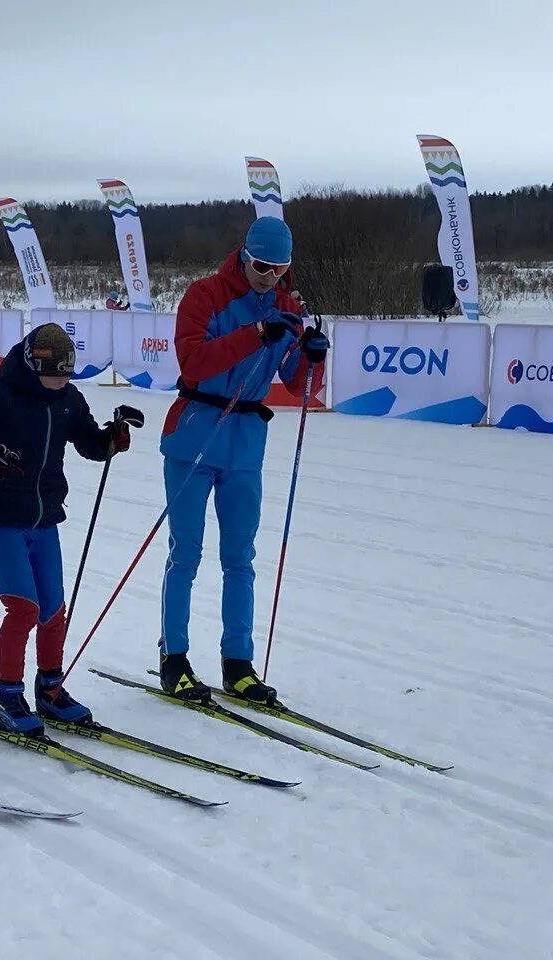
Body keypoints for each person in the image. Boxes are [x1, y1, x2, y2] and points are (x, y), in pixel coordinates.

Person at [0, 323, 142, 736]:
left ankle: (50, 687)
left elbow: (90, 443)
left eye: (66, 377)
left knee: (52, 609)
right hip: (2, 518)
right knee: (24, 608)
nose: (58, 385)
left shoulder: (68, 398)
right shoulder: (3, 398)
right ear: (33, 366)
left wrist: (112, 437)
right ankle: (7, 695)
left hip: (45, 518)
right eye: (52, 377)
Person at [157, 216, 328, 704]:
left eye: (279, 268)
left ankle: (238, 664)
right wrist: (256, 332)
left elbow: (300, 385)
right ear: (243, 254)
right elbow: (195, 363)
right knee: (185, 553)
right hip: (194, 437)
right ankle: (174, 659)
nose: (268, 276)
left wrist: (313, 355)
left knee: (240, 559)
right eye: (260, 265)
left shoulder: (288, 306)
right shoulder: (204, 295)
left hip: (245, 446)